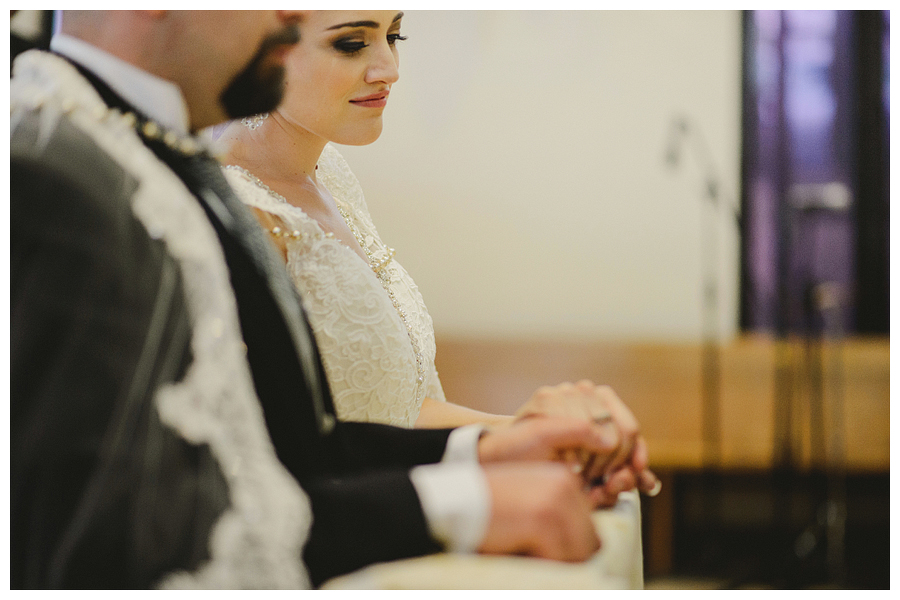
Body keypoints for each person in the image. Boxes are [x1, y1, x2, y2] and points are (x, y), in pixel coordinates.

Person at [12, 11, 649, 589]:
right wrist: (459, 505)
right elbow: (103, 548)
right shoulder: (49, 168)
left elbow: (282, 448)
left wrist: (486, 450)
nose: (286, 17)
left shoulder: (156, 144)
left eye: (392, 35)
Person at [218, 8, 659, 488]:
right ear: (266, 45)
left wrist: (540, 435)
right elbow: (274, 455)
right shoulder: (237, 212)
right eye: (351, 44)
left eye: (394, 35)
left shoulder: (331, 177)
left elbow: (397, 410)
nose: (390, 68)